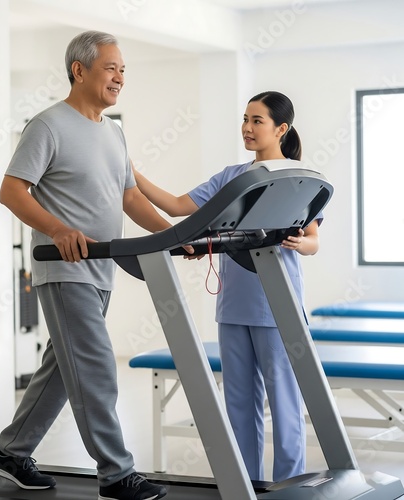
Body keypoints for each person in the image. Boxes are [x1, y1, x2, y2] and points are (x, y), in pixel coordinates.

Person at [0, 30, 169, 500]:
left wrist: (171, 235)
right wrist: (59, 228)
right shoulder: (48, 125)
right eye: (112, 68)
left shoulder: (115, 132)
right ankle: (116, 471)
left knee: (63, 370)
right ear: (79, 70)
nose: (120, 78)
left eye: (123, 69)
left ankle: (10, 451)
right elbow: (11, 190)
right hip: (63, 268)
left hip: (102, 270)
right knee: (96, 367)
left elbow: (129, 196)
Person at [133, 91, 321, 483]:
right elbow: (176, 205)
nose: (247, 128)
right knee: (238, 402)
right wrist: (131, 173)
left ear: (281, 129)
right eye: (245, 119)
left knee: (284, 403)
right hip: (234, 307)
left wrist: (299, 242)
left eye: (257, 121)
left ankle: (289, 485)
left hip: (277, 308)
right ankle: (246, 483)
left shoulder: (297, 177)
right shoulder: (230, 176)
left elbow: (313, 240)